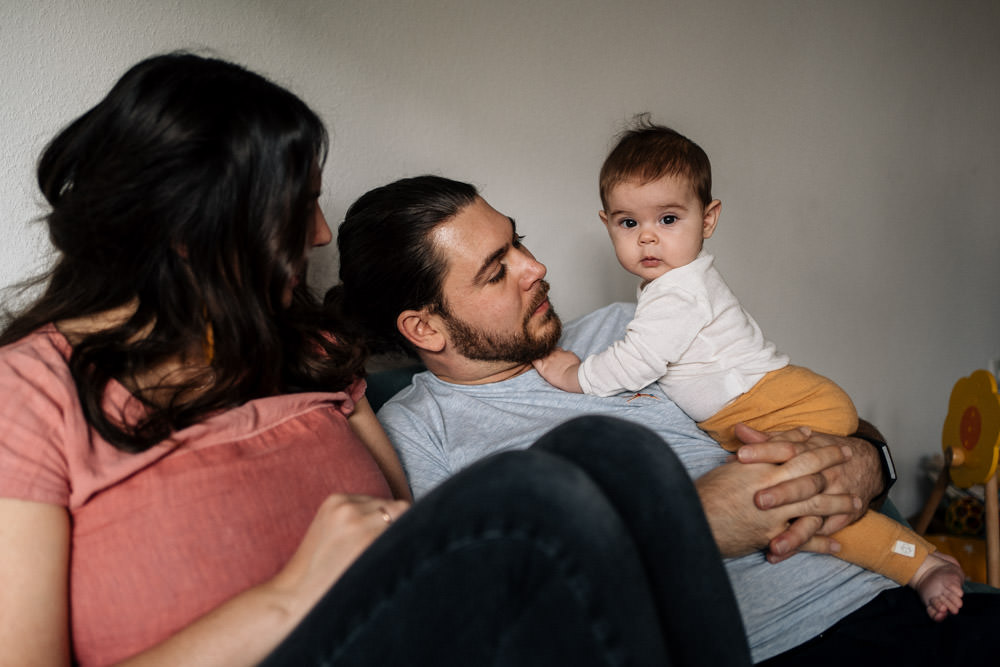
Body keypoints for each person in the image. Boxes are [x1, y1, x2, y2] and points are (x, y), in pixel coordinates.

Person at [0, 52, 788, 667]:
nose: (316, 234)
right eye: (295, 207)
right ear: (195, 226)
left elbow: (417, 527)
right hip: (287, 636)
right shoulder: (29, 391)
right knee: (533, 489)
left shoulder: (303, 350)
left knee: (613, 448)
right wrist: (289, 592)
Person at [331, 173, 1000, 664]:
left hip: (897, 589)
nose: (536, 269)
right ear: (424, 326)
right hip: (768, 647)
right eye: (497, 269)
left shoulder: (631, 329)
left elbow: (805, 407)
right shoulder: (420, 434)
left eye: (520, 242)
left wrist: (865, 461)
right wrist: (690, 524)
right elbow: (478, 616)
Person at [530, 117, 963, 620]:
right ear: (607, 223)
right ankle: (919, 561)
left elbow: (637, 360)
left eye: (668, 219)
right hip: (767, 407)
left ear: (708, 219)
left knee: (799, 504)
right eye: (629, 223)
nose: (647, 239)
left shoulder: (678, 292)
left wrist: (573, 375)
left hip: (778, 403)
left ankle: (923, 564)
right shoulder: (671, 286)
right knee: (808, 510)